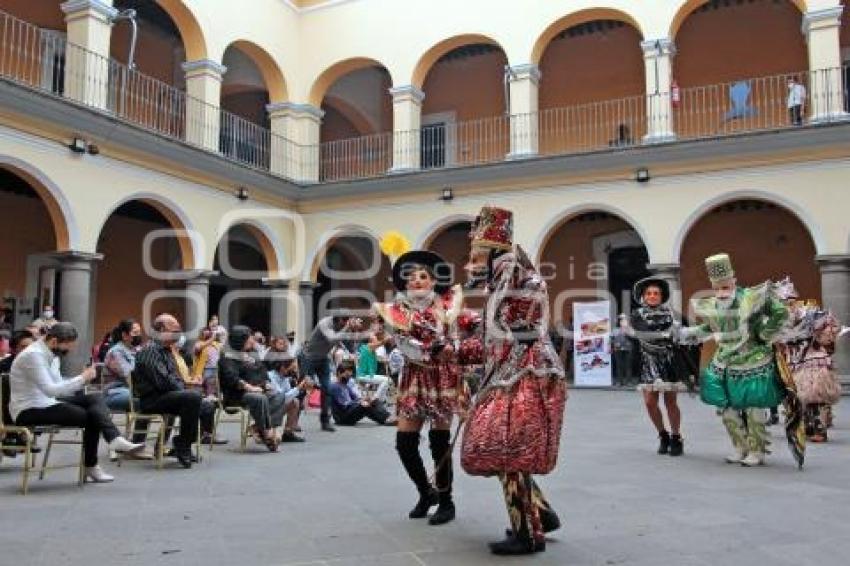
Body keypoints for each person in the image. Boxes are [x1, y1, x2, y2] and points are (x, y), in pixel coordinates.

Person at [460, 205, 567, 555]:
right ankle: (542, 513)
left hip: (522, 377)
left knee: (505, 452)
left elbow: (512, 329)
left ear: (492, 253)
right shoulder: (505, 280)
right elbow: (493, 337)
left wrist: (469, 327)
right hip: (517, 375)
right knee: (504, 451)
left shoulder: (511, 273)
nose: (469, 265)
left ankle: (526, 534)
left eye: (476, 256)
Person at [374, 243, 467, 527]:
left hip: (443, 376)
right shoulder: (396, 311)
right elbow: (401, 343)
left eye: (423, 276)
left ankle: (446, 500)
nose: (416, 280)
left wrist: (449, 347)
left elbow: (460, 338)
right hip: (414, 375)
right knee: (405, 442)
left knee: (440, 441)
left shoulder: (449, 307)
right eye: (411, 276)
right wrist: (420, 349)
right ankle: (426, 493)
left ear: (434, 282)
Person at [679, 253, 794, 468]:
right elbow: (711, 327)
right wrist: (688, 332)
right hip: (724, 361)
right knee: (727, 408)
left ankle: (757, 450)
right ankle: (739, 447)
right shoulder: (713, 304)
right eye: (717, 288)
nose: (722, 292)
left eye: (725, 287)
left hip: (752, 358)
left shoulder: (752, 296)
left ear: (734, 281)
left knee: (752, 406)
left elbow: (780, 312)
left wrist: (765, 334)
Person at [9, 322, 144, 482]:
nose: (69, 351)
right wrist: (82, 378)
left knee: (94, 397)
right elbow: (51, 390)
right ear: (54, 342)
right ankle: (93, 464)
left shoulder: (52, 355)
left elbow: (60, 387)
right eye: (67, 347)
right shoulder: (33, 356)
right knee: (92, 416)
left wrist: (83, 381)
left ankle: (114, 440)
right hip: (29, 409)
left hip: (48, 402)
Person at [134, 314, 212, 468]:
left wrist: (182, 386)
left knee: (206, 405)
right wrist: (183, 387)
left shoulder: (167, 351)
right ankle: (183, 445)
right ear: (162, 329)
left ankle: (183, 442)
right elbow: (163, 382)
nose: (179, 332)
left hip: (168, 396)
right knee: (192, 398)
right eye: (175, 329)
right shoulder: (150, 351)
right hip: (153, 399)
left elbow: (173, 378)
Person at [774, 277, 843, 442]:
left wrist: (824, 331)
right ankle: (806, 427)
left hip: (812, 360)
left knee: (815, 396)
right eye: (783, 302)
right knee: (799, 399)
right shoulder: (778, 322)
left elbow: (827, 332)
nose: (787, 305)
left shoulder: (808, 314)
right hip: (793, 362)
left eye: (789, 302)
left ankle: (818, 429)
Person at [629, 278, 688, 456]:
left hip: (669, 362)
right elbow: (644, 331)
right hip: (648, 363)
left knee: (671, 402)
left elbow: (683, 332)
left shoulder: (673, 314)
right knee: (649, 403)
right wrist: (668, 333)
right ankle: (663, 434)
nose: (652, 296)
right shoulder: (637, 314)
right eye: (649, 293)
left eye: (656, 293)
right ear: (643, 296)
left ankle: (676, 437)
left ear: (661, 296)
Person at [217, 326, 282, 452]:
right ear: (240, 340)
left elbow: (263, 371)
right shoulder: (227, 356)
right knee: (259, 397)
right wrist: (249, 387)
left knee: (278, 395)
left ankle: (258, 428)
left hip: (256, 390)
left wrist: (266, 383)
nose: (251, 340)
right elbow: (231, 378)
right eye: (248, 338)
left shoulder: (252, 354)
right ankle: (266, 432)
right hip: (236, 395)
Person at [302, 313, 365, 432]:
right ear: (338, 319)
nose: (345, 322)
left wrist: (354, 328)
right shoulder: (324, 324)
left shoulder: (340, 325)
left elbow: (344, 341)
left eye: (347, 320)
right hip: (309, 358)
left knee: (327, 389)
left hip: (323, 359)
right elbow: (332, 339)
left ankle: (325, 422)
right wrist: (347, 327)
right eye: (344, 320)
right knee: (303, 387)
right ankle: (291, 422)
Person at [1, 329, 36, 457]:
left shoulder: (38, 365)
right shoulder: (4, 366)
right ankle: (12, 436)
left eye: (31, 347)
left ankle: (19, 436)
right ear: (14, 349)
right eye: (23, 347)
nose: (28, 350)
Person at [328, 360, 394, 426]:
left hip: (349, 411)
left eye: (350, 375)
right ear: (339, 373)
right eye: (347, 375)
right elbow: (345, 404)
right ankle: (385, 419)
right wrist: (360, 403)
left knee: (374, 400)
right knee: (364, 406)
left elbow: (355, 398)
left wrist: (365, 399)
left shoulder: (345, 386)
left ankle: (388, 417)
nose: (349, 377)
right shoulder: (335, 386)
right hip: (342, 417)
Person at [102, 319, 143, 412]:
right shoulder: (116, 352)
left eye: (139, 332)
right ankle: (139, 427)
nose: (139, 335)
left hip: (133, 390)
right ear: (124, 335)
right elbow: (128, 374)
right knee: (144, 399)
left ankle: (141, 426)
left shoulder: (138, 350)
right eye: (135, 332)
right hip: (115, 392)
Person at [266, 357, 308, 442]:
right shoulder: (270, 377)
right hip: (268, 407)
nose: (292, 371)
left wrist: (302, 389)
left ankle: (288, 433)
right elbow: (281, 398)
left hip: (277, 406)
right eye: (291, 368)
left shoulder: (284, 378)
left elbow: (289, 396)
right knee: (293, 401)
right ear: (282, 368)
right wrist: (298, 388)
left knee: (295, 402)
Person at [355, 326, 391, 403]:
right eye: (374, 337)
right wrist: (388, 337)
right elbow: (382, 342)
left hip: (365, 375)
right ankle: (375, 399)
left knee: (386, 380)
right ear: (370, 340)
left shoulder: (368, 348)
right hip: (364, 375)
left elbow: (376, 357)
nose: (376, 337)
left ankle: (381, 400)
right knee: (387, 380)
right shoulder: (369, 346)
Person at [192, 328, 224, 397]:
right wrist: (212, 339)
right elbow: (198, 348)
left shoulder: (215, 344)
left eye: (209, 332)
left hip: (215, 370)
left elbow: (222, 346)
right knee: (198, 391)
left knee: (211, 393)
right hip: (202, 371)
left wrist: (220, 334)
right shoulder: (199, 343)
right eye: (205, 333)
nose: (207, 334)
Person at [612, 314, 635, 386]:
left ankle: (629, 381)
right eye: (621, 320)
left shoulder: (630, 329)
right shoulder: (615, 329)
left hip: (628, 349)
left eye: (624, 320)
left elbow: (634, 336)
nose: (623, 322)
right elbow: (611, 338)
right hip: (618, 349)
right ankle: (619, 381)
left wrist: (627, 331)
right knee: (619, 366)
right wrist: (613, 344)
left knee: (628, 366)